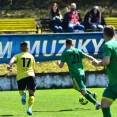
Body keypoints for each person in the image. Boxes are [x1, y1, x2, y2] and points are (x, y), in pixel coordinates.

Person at [57, 38, 100, 109]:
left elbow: (61, 66)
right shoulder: (77, 50)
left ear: (65, 44)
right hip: (82, 73)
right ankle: (92, 94)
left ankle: (97, 104)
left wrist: (58, 63)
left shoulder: (65, 53)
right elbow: (87, 56)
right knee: (75, 87)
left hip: (75, 74)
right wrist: (94, 60)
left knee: (83, 92)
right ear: (72, 44)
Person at [92, 25, 117, 117]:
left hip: (115, 82)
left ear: (104, 34)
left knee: (105, 106)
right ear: (114, 34)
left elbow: (106, 61)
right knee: (104, 105)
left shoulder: (107, 45)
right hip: (112, 84)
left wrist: (98, 63)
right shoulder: (115, 43)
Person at [7, 42, 36, 115]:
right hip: (30, 75)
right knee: (31, 94)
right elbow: (33, 68)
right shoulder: (31, 56)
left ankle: (23, 93)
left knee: (21, 91)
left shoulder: (17, 55)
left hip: (20, 76)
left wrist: (9, 65)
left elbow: (12, 60)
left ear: (20, 49)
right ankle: (29, 108)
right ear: (27, 48)